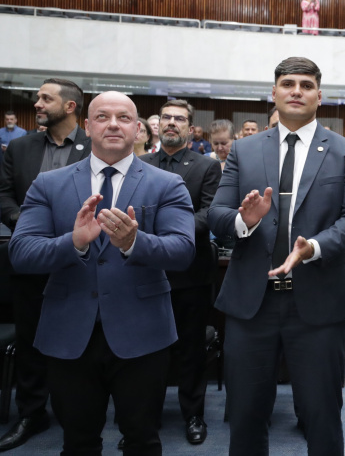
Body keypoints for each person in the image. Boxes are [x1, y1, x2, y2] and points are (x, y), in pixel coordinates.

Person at [9, 91, 195, 456]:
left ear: (138, 129)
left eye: (123, 118)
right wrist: (74, 242)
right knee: (78, 443)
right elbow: (21, 253)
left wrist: (134, 242)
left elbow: (183, 251)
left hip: (142, 333)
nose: (113, 124)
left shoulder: (167, 184)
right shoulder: (49, 183)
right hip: (69, 332)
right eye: (103, 117)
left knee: (143, 441)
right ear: (87, 126)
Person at [208, 56, 345, 456]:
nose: (297, 91)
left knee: (321, 415)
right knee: (245, 415)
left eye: (306, 85)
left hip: (318, 303)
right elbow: (217, 213)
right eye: (288, 84)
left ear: (319, 96)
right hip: (252, 303)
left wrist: (314, 247)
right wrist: (244, 221)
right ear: (274, 93)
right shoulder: (244, 151)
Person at [0, 79, 91, 453]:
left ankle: (81, 414)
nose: (36, 103)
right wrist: (24, 221)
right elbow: (3, 194)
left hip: (79, 263)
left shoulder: (95, 146)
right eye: (37, 97)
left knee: (82, 340)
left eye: (45, 98)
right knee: (30, 341)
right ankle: (31, 413)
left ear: (69, 107)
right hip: (32, 261)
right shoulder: (20, 147)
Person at [140, 100, 222, 446]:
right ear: (157, 125)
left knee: (191, 349)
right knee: (146, 351)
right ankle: (145, 418)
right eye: (166, 118)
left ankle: (193, 414)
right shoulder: (140, 164)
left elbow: (210, 213)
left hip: (190, 273)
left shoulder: (206, 166)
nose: (172, 123)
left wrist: (167, 233)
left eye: (179, 119)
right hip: (145, 272)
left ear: (190, 127)